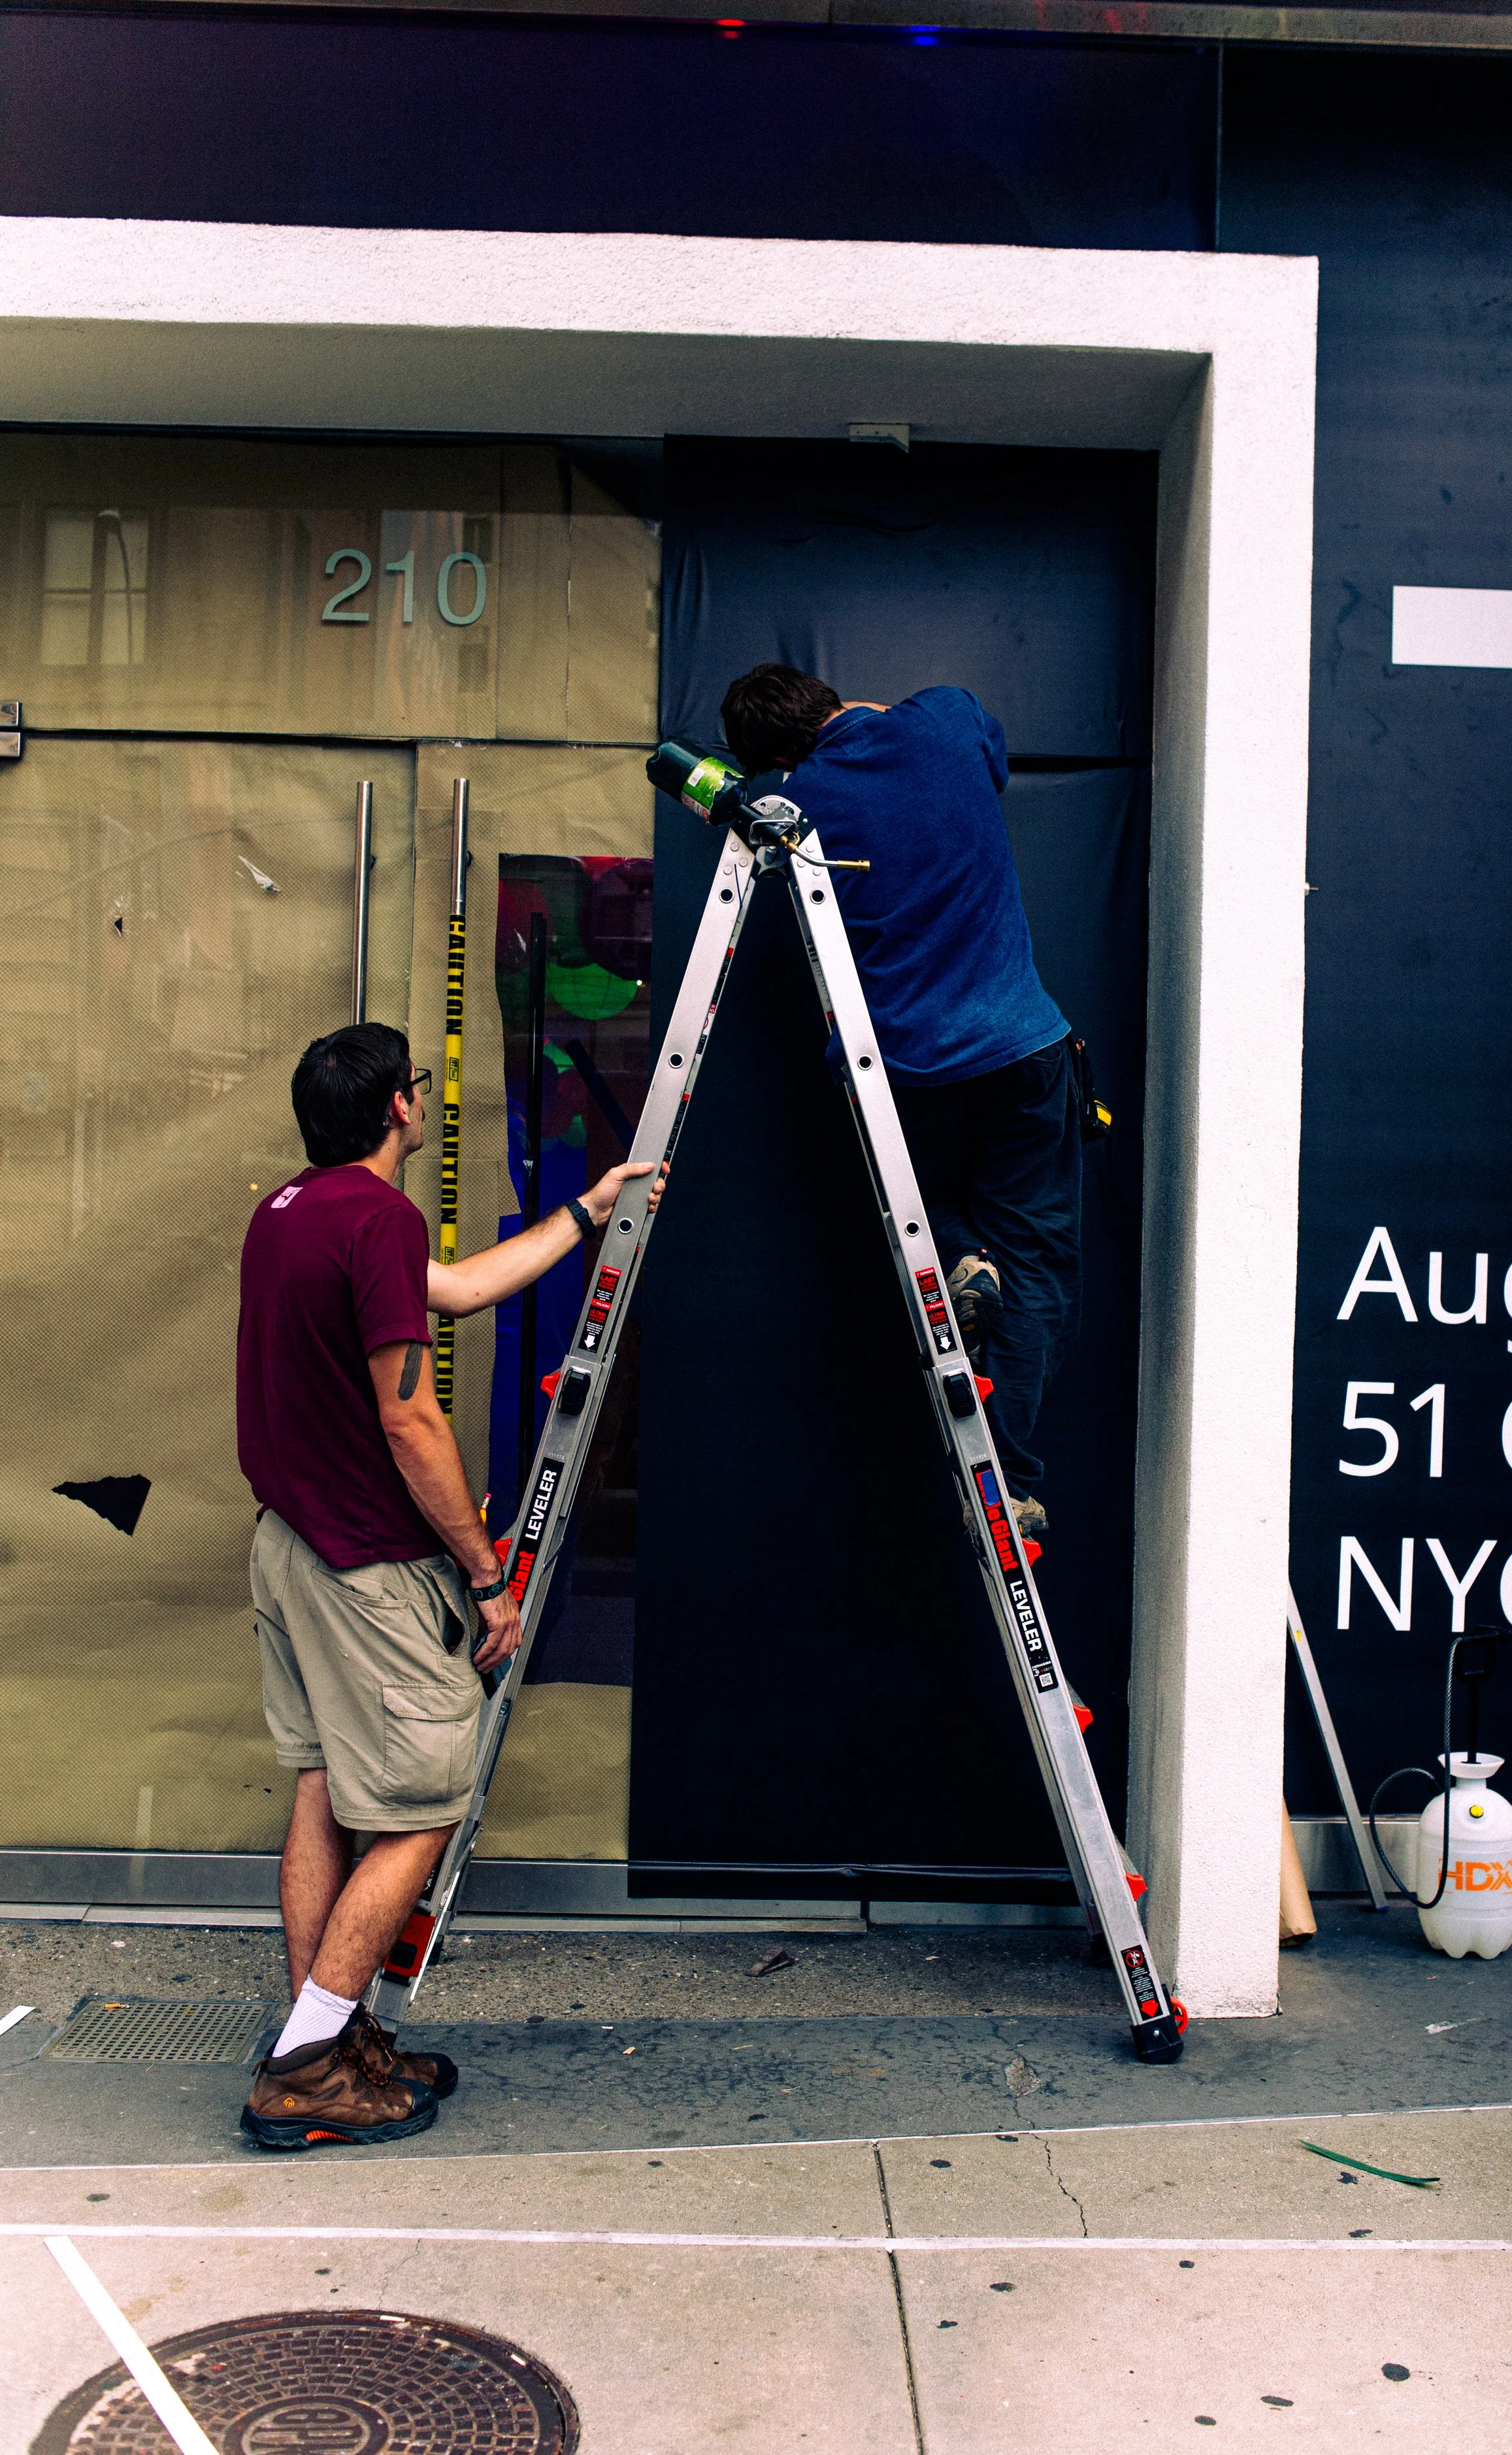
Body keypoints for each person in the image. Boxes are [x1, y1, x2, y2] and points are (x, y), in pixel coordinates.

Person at [237, 1021, 661, 2149]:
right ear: (399, 1108)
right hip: (362, 1568)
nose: (422, 1101)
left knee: (325, 1786)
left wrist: (587, 1211)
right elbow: (410, 1417)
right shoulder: (380, 1217)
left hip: (289, 1549)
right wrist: (486, 1574)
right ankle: (304, 2071)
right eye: (418, 1088)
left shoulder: (290, 1213)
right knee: (427, 1807)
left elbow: (460, 1290)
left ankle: (330, 2042)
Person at [719, 663, 1081, 1543]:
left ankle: (963, 1255)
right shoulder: (947, 719)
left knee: (918, 1200)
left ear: (773, 757)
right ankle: (1010, 1480)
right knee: (1036, 1260)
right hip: (1023, 1047)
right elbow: (988, 764)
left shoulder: (797, 808)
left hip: (911, 1071)